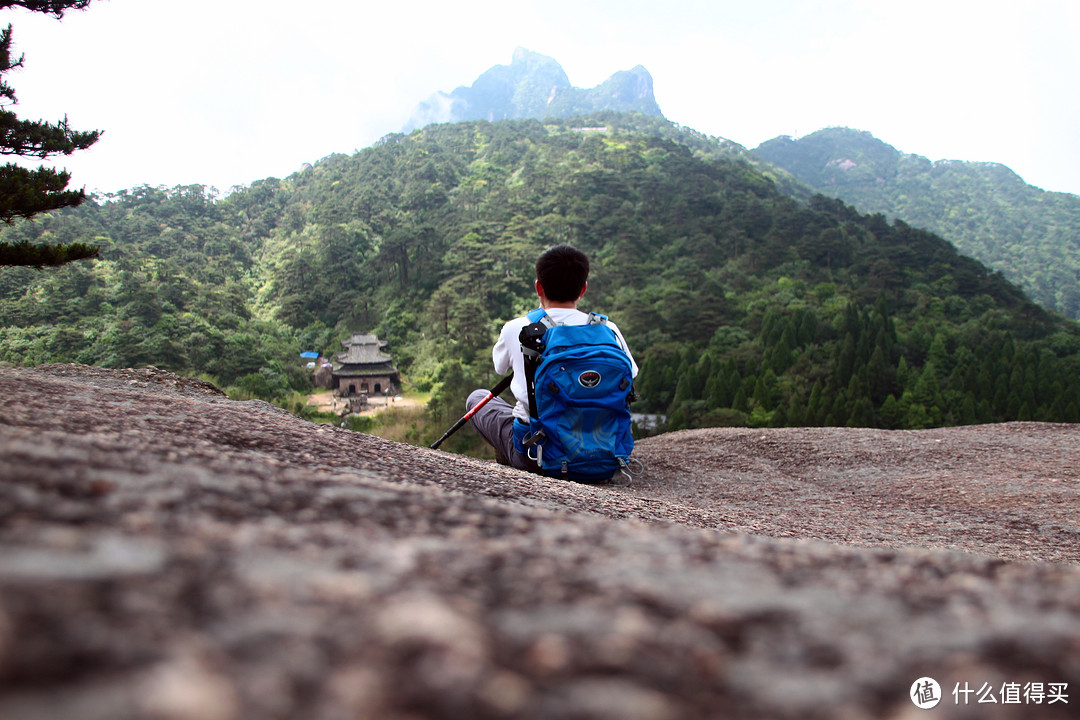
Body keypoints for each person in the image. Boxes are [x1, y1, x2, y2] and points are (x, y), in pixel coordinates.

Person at [466, 244, 638, 473]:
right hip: (605, 455)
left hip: (536, 455)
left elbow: (500, 368)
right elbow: (631, 374)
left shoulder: (519, 328)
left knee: (477, 398)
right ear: (583, 288)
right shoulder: (609, 329)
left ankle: (511, 458)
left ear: (539, 287)